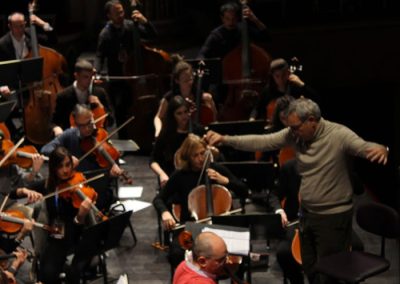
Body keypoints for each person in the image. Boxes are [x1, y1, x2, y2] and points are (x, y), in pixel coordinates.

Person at [205, 98, 388, 284]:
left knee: (329, 274)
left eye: (296, 127)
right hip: (307, 215)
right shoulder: (296, 133)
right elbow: (263, 141)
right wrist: (225, 139)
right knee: (310, 267)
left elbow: (363, 147)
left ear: (311, 121)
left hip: (332, 218)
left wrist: (382, 148)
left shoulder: (339, 135)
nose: (292, 133)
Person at [153, 134, 248, 271]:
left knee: (241, 252)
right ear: (188, 157)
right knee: (176, 254)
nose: (200, 158)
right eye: (195, 155)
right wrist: (165, 212)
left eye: (203, 153)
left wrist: (225, 181)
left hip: (219, 228)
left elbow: (244, 191)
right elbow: (159, 199)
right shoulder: (180, 176)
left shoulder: (216, 170)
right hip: (192, 228)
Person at [41, 104, 124, 212]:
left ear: (93, 116)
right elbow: (45, 149)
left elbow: (110, 170)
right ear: (76, 124)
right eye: (82, 125)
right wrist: (68, 157)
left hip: (100, 191)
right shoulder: (69, 135)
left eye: (90, 122)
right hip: (75, 191)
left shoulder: (101, 135)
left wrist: (112, 173)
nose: (87, 128)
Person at [95, 0, 157, 138]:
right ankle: (124, 143)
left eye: (122, 11)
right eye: (117, 13)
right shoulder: (105, 34)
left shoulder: (131, 26)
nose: (121, 15)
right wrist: (96, 71)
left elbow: (153, 36)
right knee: (120, 110)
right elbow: (99, 56)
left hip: (136, 75)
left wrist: (145, 22)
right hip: (118, 78)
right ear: (109, 16)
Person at [37, 146, 96, 284]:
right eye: (60, 166)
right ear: (53, 169)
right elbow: (15, 192)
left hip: (78, 236)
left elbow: (80, 230)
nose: (65, 170)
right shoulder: (49, 185)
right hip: (58, 236)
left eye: (68, 165)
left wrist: (80, 217)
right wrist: (24, 191)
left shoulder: (79, 181)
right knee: (47, 273)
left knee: (72, 272)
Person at [153, 55, 217, 138]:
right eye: (185, 80)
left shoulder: (201, 97)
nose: (190, 83)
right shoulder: (169, 98)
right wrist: (158, 131)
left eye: (191, 79)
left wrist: (210, 105)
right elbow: (158, 117)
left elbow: (214, 121)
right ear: (177, 81)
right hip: (176, 137)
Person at [150, 95, 205, 188]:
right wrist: (161, 174)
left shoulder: (198, 130)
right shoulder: (166, 134)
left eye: (186, 112)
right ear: (172, 115)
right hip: (172, 178)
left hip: (196, 179)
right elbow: (153, 160)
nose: (184, 116)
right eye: (179, 113)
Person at [51, 59, 114, 137]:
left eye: (91, 77)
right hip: (72, 141)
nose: (89, 81)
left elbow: (111, 121)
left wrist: (101, 106)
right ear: (76, 76)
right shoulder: (63, 96)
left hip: (97, 139)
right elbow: (53, 122)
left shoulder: (100, 93)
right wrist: (56, 128)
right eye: (85, 77)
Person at [249, 58, 318, 122]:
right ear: (272, 76)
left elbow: (316, 98)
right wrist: (252, 119)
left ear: (288, 73)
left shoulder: (295, 86)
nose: (281, 79)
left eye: (284, 75)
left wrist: (301, 84)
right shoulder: (268, 90)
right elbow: (256, 108)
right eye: (277, 76)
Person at [198, 2, 270, 60]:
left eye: (233, 18)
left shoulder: (243, 28)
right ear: (222, 18)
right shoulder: (216, 35)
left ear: (237, 17)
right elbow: (202, 53)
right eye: (227, 18)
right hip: (226, 72)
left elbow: (265, 37)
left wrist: (254, 19)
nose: (231, 22)